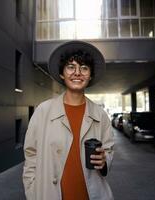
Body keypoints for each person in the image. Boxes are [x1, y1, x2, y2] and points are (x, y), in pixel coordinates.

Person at [23, 41, 114, 200]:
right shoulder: (43, 111)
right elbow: (31, 154)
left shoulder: (100, 116)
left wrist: (104, 160)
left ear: (90, 75)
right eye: (71, 67)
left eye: (84, 68)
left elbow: (108, 151)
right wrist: (32, 191)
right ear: (62, 73)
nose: (77, 73)